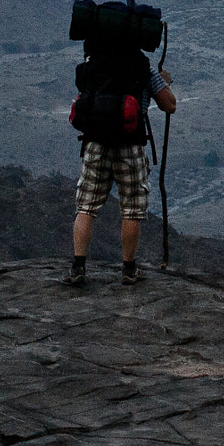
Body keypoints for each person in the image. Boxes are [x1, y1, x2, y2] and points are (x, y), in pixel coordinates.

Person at [64, 63, 177, 286]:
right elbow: (170, 105)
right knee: (132, 209)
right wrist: (165, 82)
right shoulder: (143, 69)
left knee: (86, 206)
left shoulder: (94, 66)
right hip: (131, 145)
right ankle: (129, 269)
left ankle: (78, 267)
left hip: (96, 143)